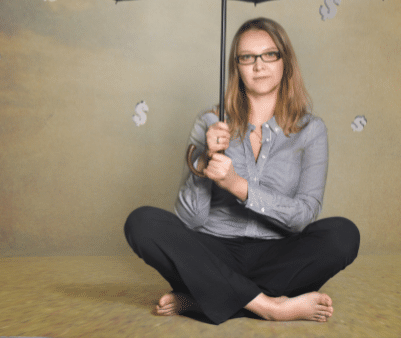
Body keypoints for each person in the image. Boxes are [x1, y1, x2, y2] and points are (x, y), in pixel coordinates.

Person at [124, 17, 360, 325]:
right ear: (237, 66)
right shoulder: (210, 121)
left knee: (343, 234)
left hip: (278, 254)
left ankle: (203, 299)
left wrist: (238, 186)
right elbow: (191, 219)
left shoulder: (311, 130)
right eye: (247, 57)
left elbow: (303, 215)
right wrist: (207, 159)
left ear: (285, 60)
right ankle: (268, 307)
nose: (258, 65)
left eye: (269, 54)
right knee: (142, 222)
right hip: (212, 252)